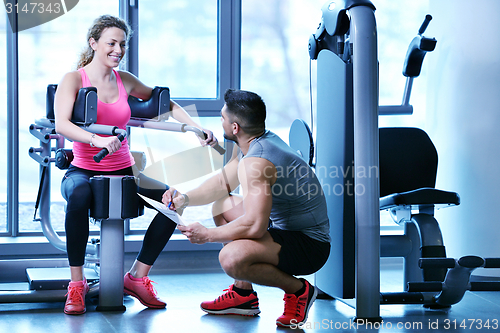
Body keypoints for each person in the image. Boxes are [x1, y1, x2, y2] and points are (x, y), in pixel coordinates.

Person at [54, 15, 218, 315]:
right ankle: (76, 285)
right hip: (83, 169)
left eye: (122, 44)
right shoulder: (74, 80)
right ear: (93, 43)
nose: (118, 50)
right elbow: (62, 124)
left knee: (174, 201)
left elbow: (165, 104)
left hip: (124, 170)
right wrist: (96, 140)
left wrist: (196, 127)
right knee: (78, 196)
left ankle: (137, 277)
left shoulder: (124, 80)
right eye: (111, 43)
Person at [163, 89, 331, 328]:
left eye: (222, 118)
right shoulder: (257, 142)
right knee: (222, 205)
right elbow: (223, 183)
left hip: (310, 246)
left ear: (235, 128)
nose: (219, 121)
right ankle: (243, 297)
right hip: (284, 229)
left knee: (231, 258)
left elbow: (254, 225)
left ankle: (299, 290)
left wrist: (207, 235)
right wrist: (185, 198)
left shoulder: (258, 161)